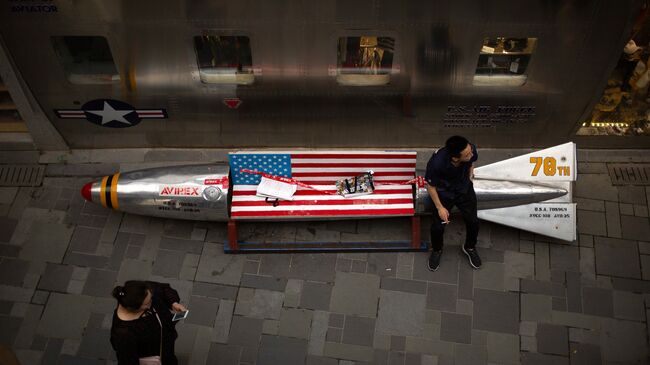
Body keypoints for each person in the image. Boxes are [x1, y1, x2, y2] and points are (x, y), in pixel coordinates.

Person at [425, 136, 482, 271]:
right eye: (468, 154)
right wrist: (440, 208)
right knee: (438, 227)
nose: (472, 154)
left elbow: (471, 162)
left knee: (473, 221)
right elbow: (431, 186)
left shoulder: (470, 149)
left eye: (470, 150)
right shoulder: (436, 163)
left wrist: (470, 177)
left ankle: (469, 247)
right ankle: (437, 250)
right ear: (455, 158)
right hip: (444, 193)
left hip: (463, 189)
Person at [110, 281, 187, 365]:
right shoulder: (124, 334)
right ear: (135, 308)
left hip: (166, 348)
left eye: (151, 297)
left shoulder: (143, 291)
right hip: (154, 357)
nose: (152, 301)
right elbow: (127, 361)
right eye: (148, 303)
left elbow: (164, 289)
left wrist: (173, 303)